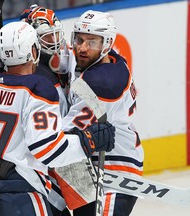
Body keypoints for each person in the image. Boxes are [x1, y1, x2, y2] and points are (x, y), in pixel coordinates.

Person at [0, 21, 116, 216]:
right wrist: (88, 141)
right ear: (33, 52)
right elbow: (49, 149)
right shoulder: (37, 90)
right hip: (21, 200)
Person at [0, 5, 75, 215]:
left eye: (55, 35)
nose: (53, 43)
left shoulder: (66, 57)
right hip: (44, 160)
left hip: (57, 151)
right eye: (45, 38)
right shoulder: (37, 79)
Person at [61, 10, 144, 216]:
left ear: (106, 44)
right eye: (79, 39)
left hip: (115, 170)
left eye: (91, 42)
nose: (82, 48)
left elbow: (64, 136)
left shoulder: (102, 85)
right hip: (88, 168)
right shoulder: (108, 60)